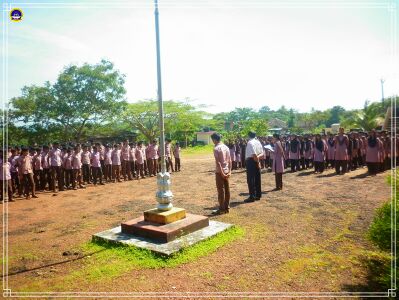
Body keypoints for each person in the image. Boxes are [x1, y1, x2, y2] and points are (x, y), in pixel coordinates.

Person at [211, 132, 231, 214]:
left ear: (215, 139)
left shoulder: (216, 148)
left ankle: (222, 209)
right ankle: (227, 207)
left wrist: (222, 173)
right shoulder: (226, 147)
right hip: (226, 171)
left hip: (220, 172)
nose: (213, 141)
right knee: (227, 189)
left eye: (212, 140)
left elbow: (218, 162)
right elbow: (230, 160)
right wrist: (229, 171)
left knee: (220, 190)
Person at [244, 131, 263, 202]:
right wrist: (258, 160)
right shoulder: (258, 142)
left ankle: (252, 196)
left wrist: (257, 162)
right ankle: (258, 195)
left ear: (249, 136)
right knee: (257, 178)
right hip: (256, 160)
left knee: (251, 179)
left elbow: (254, 154)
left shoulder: (250, 142)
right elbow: (262, 154)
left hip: (251, 161)